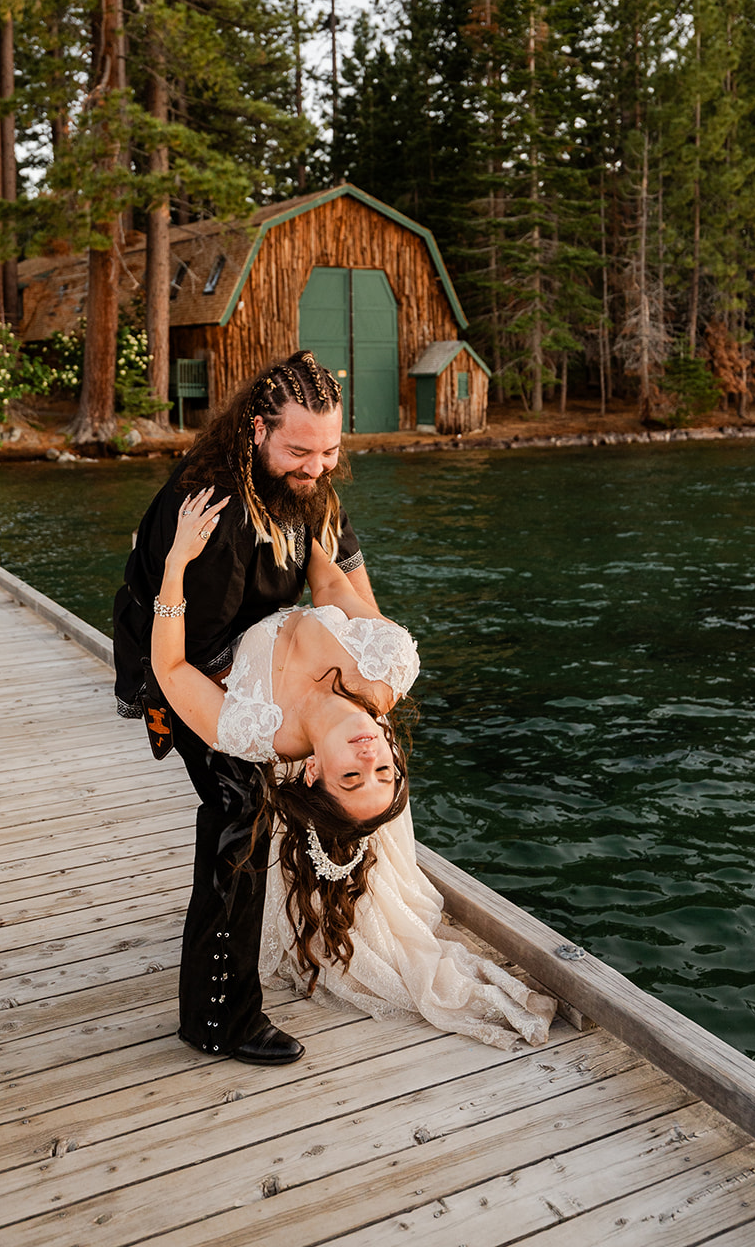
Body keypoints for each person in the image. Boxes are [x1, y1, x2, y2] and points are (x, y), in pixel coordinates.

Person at [154, 487, 558, 1051]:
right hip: (275, 556)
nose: (370, 759)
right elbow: (333, 588)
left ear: (311, 771)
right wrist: (304, 509)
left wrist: (175, 563)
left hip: (207, 588)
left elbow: (172, 668)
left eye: (351, 777)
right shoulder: (388, 667)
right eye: (384, 773)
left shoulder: (257, 729)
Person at [113, 350, 375, 1065]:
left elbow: (348, 583)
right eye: (300, 451)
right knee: (238, 810)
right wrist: (277, 725)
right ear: (258, 429)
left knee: (279, 786)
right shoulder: (215, 509)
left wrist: (365, 677)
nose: (318, 467)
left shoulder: (306, 482)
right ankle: (218, 1018)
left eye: (330, 450)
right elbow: (185, 657)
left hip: (255, 648)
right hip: (180, 657)